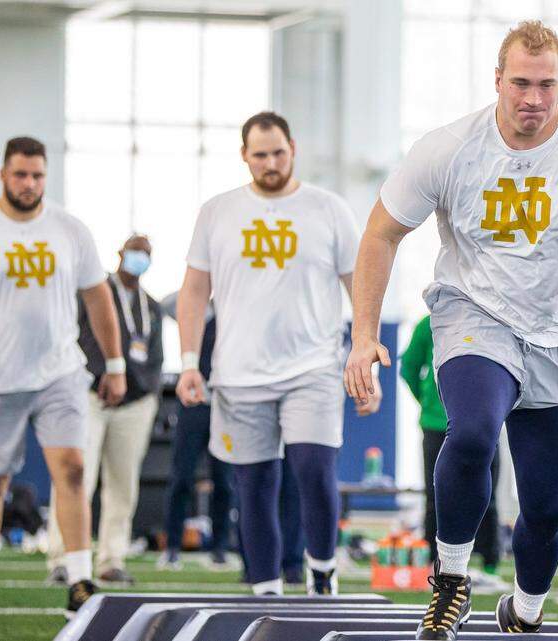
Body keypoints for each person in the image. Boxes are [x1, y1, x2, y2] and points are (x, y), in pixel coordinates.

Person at [343, 20, 558, 638]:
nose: (533, 98)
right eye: (520, 83)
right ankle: (450, 580)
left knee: (548, 506)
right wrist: (366, 334)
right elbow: (381, 232)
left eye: (546, 85)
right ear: (497, 81)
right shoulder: (449, 148)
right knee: (471, 430)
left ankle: (524, 610)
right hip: (476, 312)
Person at [176, 112, 379, 596]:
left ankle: (323, 570)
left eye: (278, 152)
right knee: (254, 484)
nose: (270, 163)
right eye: (260, 154)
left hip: (312, 366)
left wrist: (365, 352)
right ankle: (266, 590)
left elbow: (360, 282)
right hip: (238, 372)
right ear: (244, 155)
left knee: (313, 468)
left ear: (293, 148)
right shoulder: (217, 211)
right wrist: (187, 362)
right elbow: (193, 290)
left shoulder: (328, 209)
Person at [0, 136, 125, 622]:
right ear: (3, 174)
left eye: (38, 175)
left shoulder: (69, 229)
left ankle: (80, 581)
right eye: (21, 175)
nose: (29, 184)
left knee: (73, 469)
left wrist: (115, 363)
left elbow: (98, 297)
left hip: (60, 374)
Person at [45, 234, 164, 585]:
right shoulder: (94, 293)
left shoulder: (152, 306)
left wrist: (141, 389)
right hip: (91, 396)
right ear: (120, 254)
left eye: (146, 253)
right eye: (135, 251)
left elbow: (154, 357)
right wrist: (102, 377)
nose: (139, 258)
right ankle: (63, 559)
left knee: (123, 484)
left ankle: (112, 559)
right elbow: (78, 338)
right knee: (74, 475)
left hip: (135, 403)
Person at [400, 314, 506, 592]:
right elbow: (409, 368)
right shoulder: (428, 324)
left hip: (484, 425)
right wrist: (428, 402)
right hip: (436, 425)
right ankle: (436, 568)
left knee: (487, 497)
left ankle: (489, 566)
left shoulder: (493, 317)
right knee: (436, 497)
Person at [156, 291, 234, 572]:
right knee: (181, 477)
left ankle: (220, 548)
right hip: (193, 404)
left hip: (226, 405)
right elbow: (165, 304)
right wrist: (198, 287)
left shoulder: (236, 308)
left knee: (224, 481)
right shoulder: (194, 306)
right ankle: (173, 547)